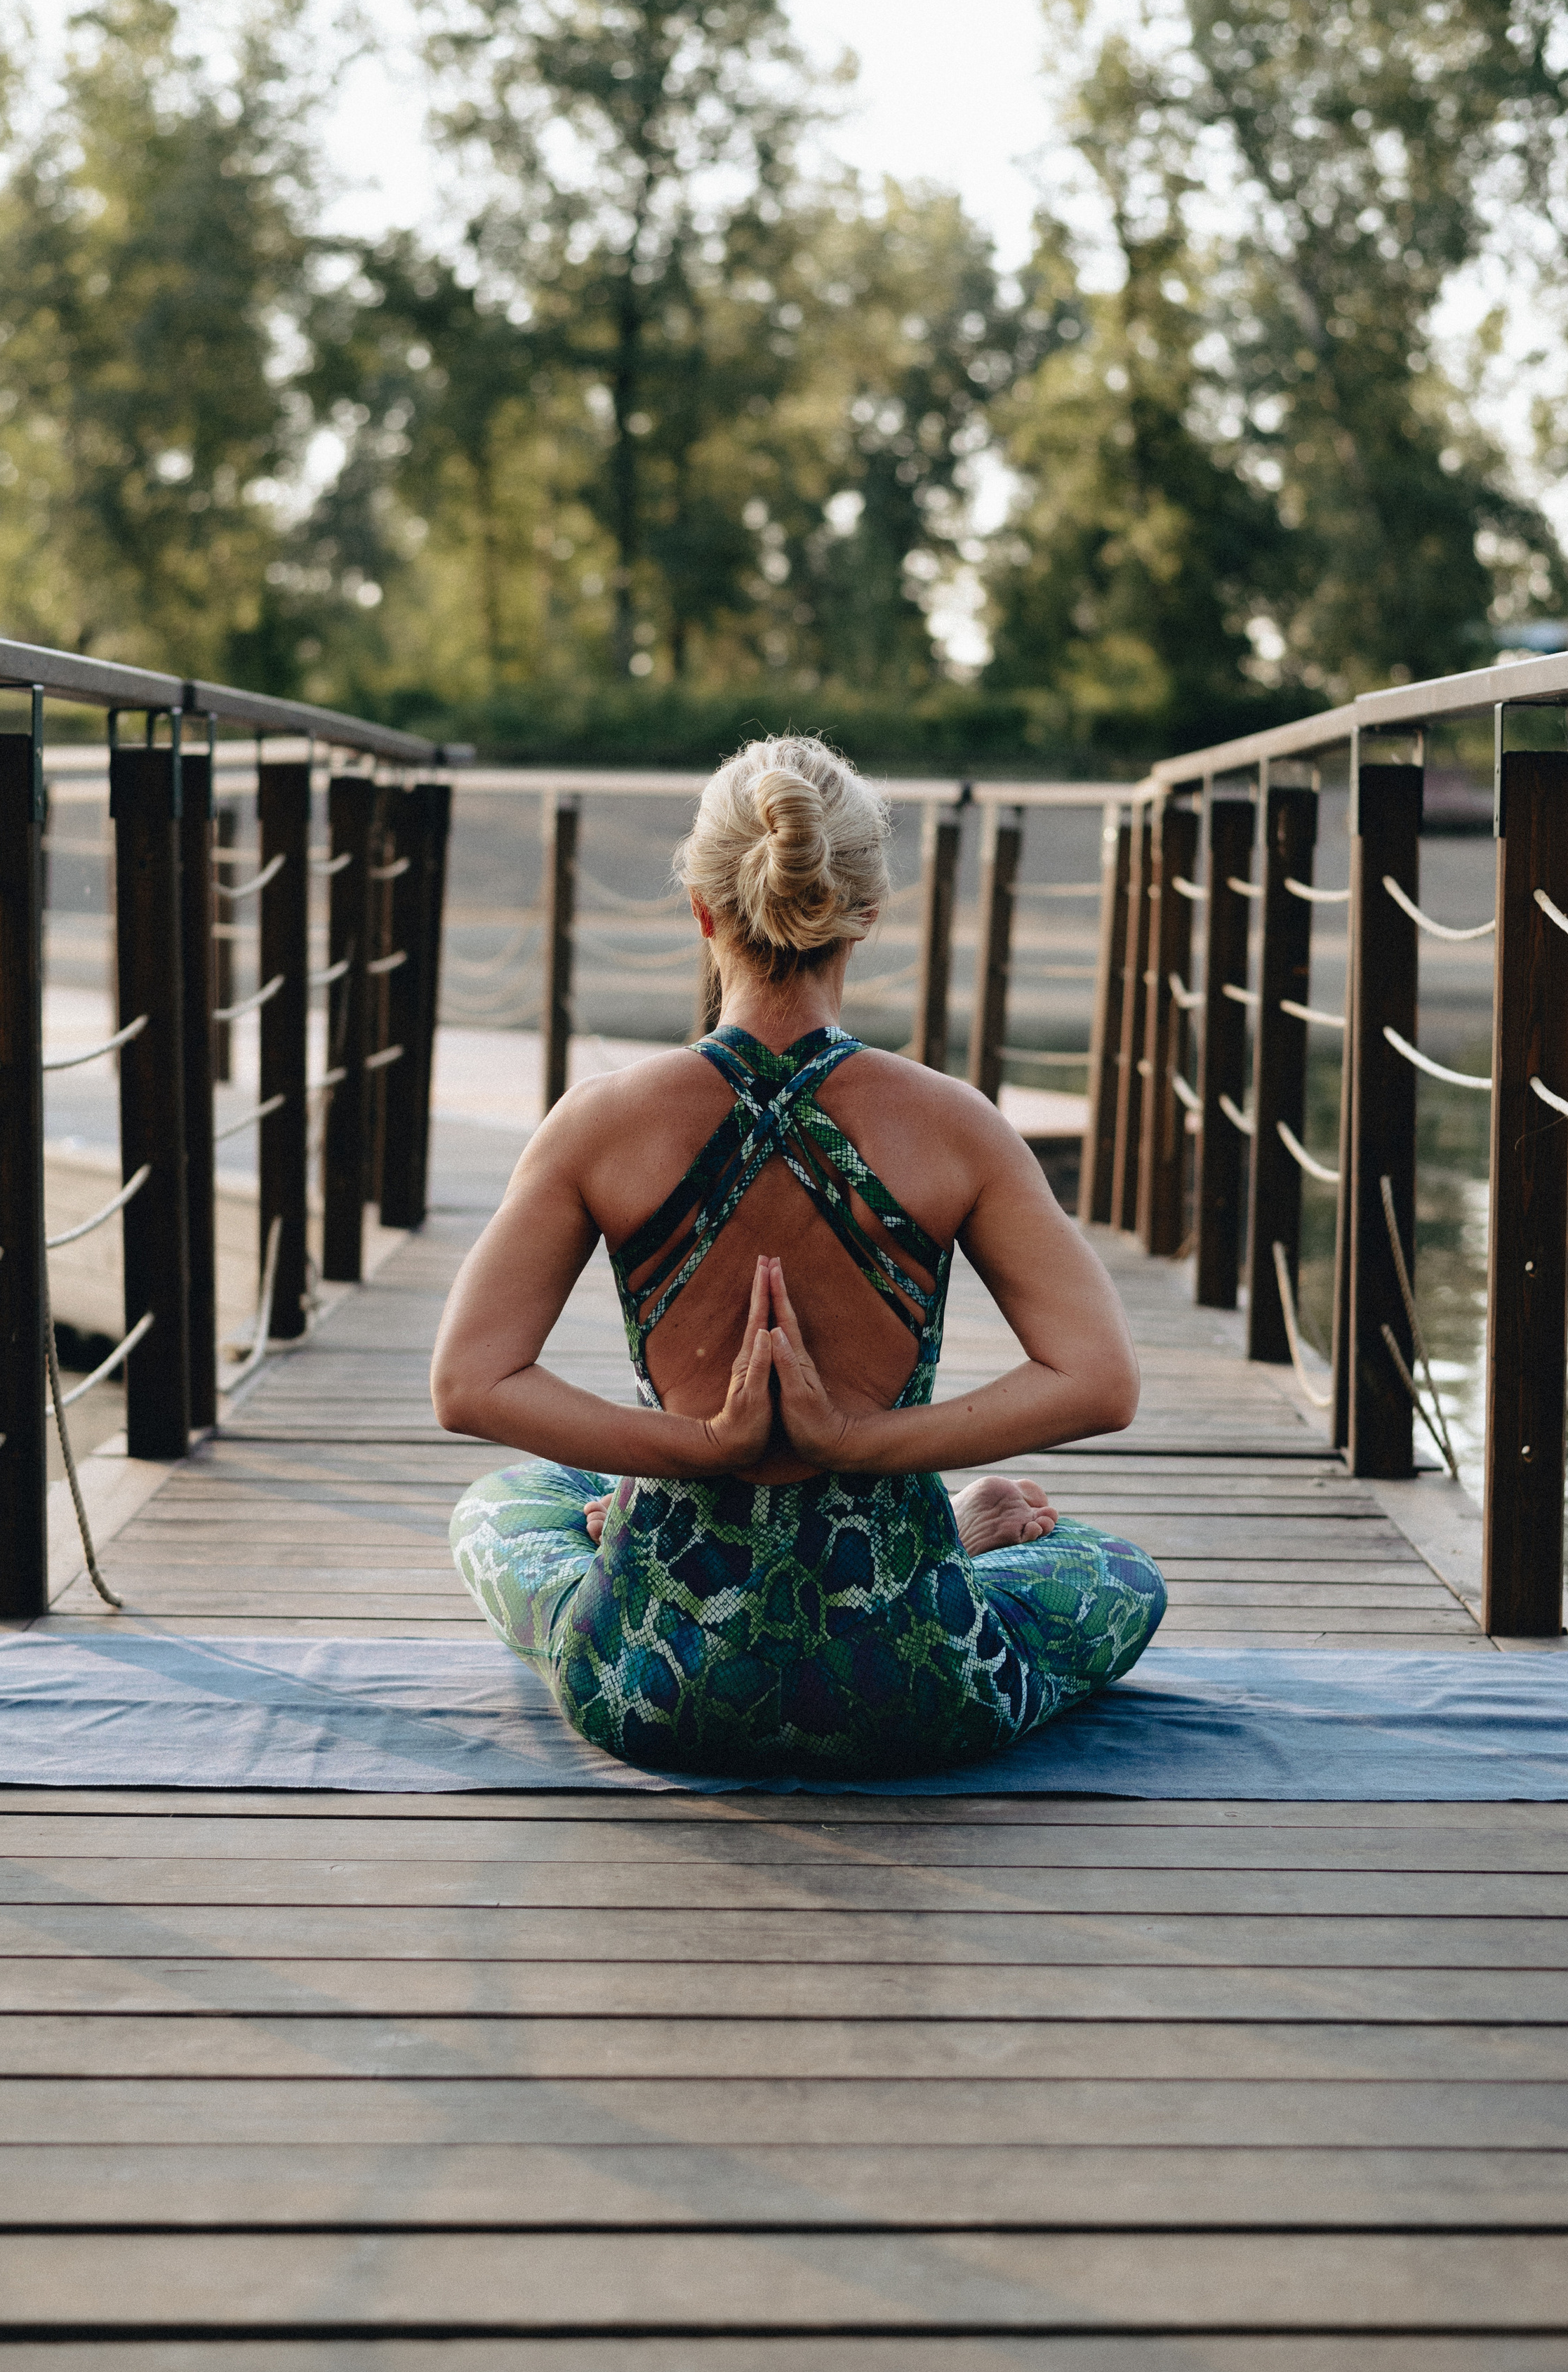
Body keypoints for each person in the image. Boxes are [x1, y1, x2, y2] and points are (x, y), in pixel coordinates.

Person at [434, 735, 1164, 1777]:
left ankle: (621, 1525)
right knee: (1118, 1569)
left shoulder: (598, 1124)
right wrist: (859, 1442)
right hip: (919, 1686)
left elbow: (467, 1383)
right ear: (866, 913)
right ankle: (945, 1530)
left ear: (700, 907)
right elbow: (1101, 1380)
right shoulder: (955, 1127)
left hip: (650, 1681)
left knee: (500, 1507)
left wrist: (694, 1450)